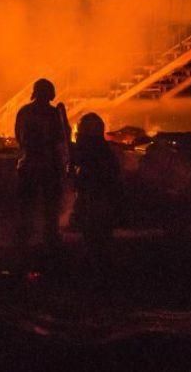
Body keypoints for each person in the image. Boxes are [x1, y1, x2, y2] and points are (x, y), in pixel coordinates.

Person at [14, 78, 71, 250]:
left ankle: (23, 238)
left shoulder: (24, 111)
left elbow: (19, 136)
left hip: (28, 163)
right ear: (50, 94)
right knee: (50, 205)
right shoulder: (53, 114)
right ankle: (50, 239)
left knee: (27, 204)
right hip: (48, 164)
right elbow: (63, 138)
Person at [70, 113, 124, 270]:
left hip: (96, 196)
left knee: (94, 232)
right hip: (101, 197)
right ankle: (100, 263)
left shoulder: (90, 150)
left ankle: (96, 264)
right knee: (100, 233)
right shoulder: (105, 150)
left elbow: (87, 171)